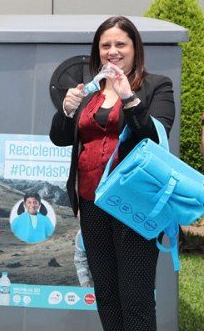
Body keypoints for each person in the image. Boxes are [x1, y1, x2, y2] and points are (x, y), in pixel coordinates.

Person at [49, 16, 175, 331]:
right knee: (106, 295)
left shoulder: (156, 86)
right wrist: (67, 109)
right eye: (105, 45)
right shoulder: (90, 91)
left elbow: (155, 137)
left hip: (135, 204)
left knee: (136, 297)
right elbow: (60, 138)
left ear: (135, 48)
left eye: (121, 44)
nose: (112, 51)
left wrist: (129, 98)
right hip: (92, 203)